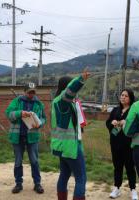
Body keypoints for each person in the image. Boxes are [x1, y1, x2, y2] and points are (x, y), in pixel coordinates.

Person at [51, 69, 90, 200]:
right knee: (81, 178)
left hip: (61, 146)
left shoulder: (57, 102)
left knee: (64, 175)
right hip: (70, 147)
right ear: (65, 88)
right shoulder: (63, 102)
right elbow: (69, 92)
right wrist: (80, 80)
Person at [5, 82, 46, 194]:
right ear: (24, 92)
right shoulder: (17, 101)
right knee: (18, 161)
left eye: (33, 92)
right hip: (17, 137)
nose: (31, 94)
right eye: (29, 92)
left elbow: (43, 118)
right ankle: (18, 184)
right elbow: (8, 113)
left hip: (32, 137)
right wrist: (20, 113)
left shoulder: (39, 104)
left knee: (34, 161)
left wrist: (40, 124)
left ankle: (37, 184)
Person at [106, 89, 138, 200]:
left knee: (130, 167)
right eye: (122, 95)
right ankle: (117, 188)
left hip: (128, 144)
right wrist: (112, 123)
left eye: (126, 96)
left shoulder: (133, 111)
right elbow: (107, 123)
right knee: (117, 166)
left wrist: (126, 123)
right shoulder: (115, 110)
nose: (123, 97)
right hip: (115, 143)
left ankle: (133, 189)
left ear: (131, 98)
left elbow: (136, 125)